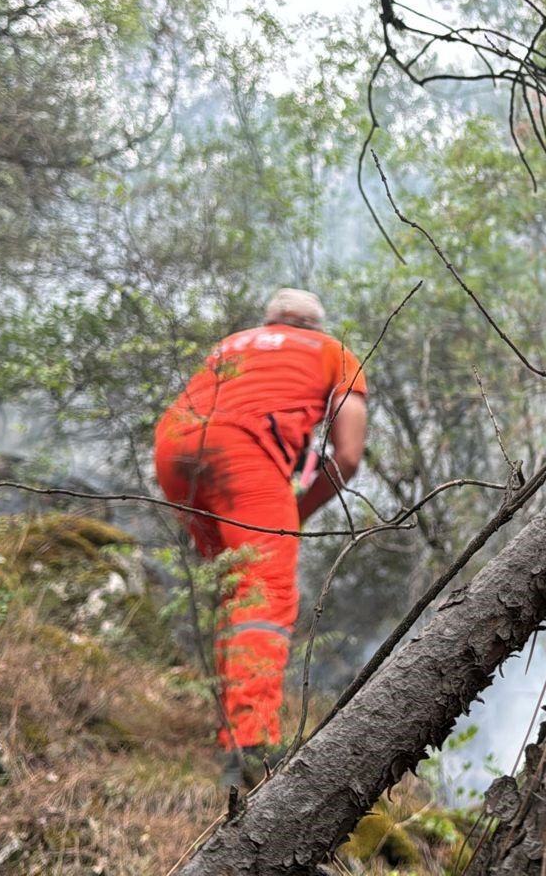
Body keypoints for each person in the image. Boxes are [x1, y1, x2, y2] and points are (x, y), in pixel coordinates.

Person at [154, 288, 368, 790]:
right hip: (243, 455)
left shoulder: (231, 344)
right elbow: (349, 457)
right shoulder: (333, 353)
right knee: (264, 593)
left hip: (175, 448)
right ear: (314, 325)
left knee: (236, 589)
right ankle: (250, 747)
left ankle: (231, 722)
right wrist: (294, 513)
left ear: (269, 320)